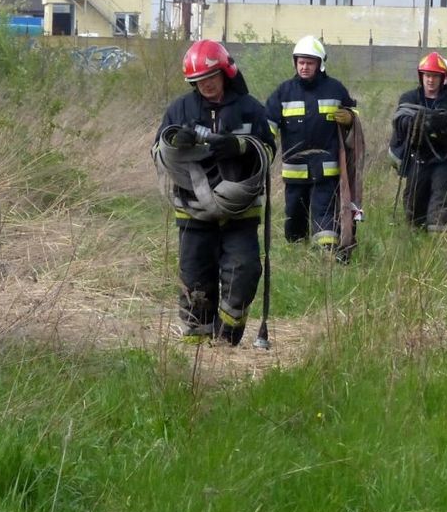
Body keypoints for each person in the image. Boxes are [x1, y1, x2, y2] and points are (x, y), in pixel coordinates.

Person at [152, 40, 275, 345]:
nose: (205, 85)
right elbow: (157, 150)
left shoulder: (250, 109)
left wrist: (240, 145)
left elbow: (269, 150)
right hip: (193, 212)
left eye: (209, 78)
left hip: (241, 212)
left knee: (243, 271)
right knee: (195, 280)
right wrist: (175, 142)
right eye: (197, 81)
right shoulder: (180, 109)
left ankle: (227, 339)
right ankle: (196, 349)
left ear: (225, 73)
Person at [265, 36, 358, 252]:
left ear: (320, 64)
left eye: (310, 63)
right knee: (294, 217)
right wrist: (263, 147)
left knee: (324, 215)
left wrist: (351, 118)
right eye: (301, 62)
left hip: (327, 171)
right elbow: (267, 123)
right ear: (295, 63)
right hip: (295, 173)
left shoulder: (335, 89)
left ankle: (326, 256)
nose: (305, 67)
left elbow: (355, 116)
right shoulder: (283, 92)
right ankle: (297, 255)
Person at [389, 51, 447, 231]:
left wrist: (446, 125)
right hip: (417, 157)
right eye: (427, 75)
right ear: (421, 76)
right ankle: (414, 235)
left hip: (444, 160)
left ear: (442, 78)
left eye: (434, 76)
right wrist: (414, 123)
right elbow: (399, 120)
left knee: (440, 200)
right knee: (414, 201)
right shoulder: (409, 98)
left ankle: (436, 239)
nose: (430, 80)